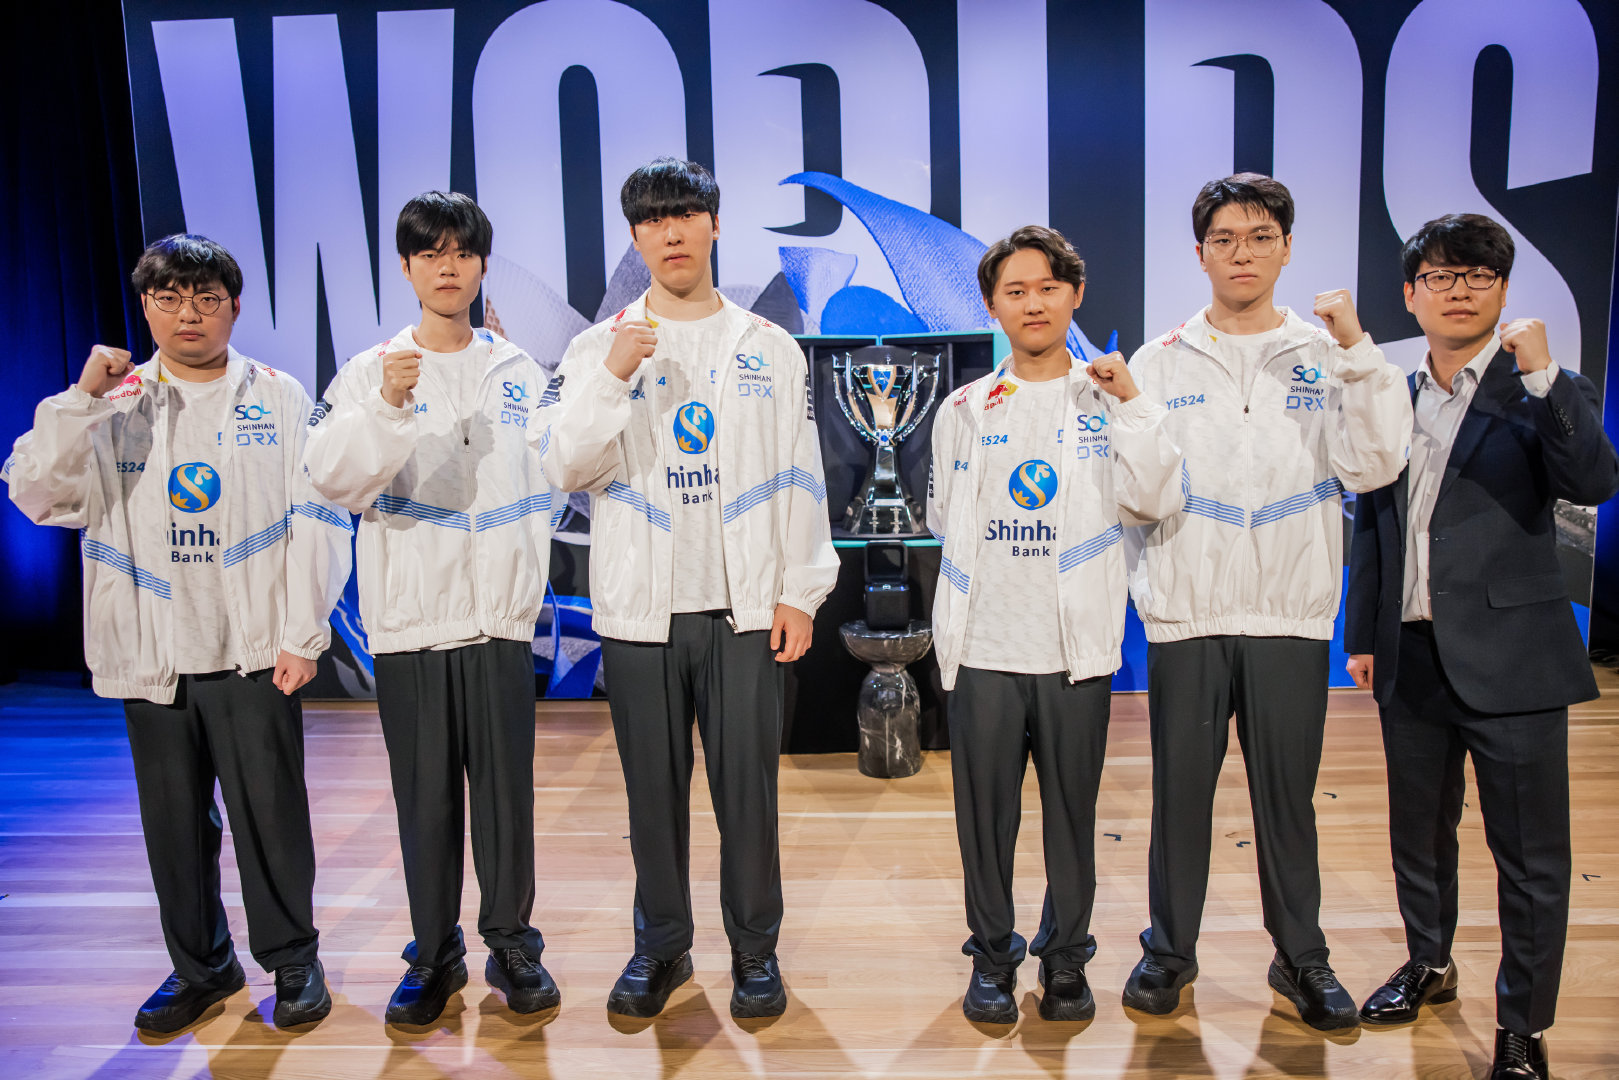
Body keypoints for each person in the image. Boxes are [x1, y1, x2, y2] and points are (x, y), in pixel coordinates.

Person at [3, 235, 351, 1032]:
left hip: (253, 650)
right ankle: (200, 967)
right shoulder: (111, 402)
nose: (187, 313)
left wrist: (302, 634)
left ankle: (293, 960)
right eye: (169, 298)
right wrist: (79, 399)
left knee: (271, 819)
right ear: (147, 306)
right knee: (173, 825)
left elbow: (320, 518)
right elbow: (36, 494)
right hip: (150, 649)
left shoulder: (279, 396)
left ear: (233, 306)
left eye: (205, 298)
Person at [540, 157, 838, 1019]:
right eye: (652, 219)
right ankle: (662, 949)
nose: (670, 232)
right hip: (640, 611)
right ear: (635, 237)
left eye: (685, 214)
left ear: (713, 223)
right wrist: (611, 376)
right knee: (652, 797)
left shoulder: (768, 345)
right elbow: (564, 466)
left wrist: (800, 591)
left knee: (748, 794)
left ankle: (754, 953)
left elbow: (801, 473)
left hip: (742, 609)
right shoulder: (595, 349)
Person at [1123, 173, 1412, 1029]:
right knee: (1179, 798)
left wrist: (1357, 351)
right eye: (1223, 239)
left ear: (1286, 248)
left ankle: (1301, 958)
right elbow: (1134, 494)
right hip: (1187, 616)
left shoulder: (1328, 355)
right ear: (1199, 253)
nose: (1240, 253)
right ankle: (1168, 951)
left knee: (1286, 801)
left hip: (1290, 614)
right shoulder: (1158, 359)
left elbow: (1373, 466)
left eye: (1258, 237)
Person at [1345, 213, 1619, 1079]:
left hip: (1514, 658)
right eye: (1439, 275)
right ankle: (1428, 963)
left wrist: (1542, 376)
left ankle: (1522, 1026)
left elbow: (1592, 483)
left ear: (1500, 290)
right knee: (1418, 836)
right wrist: (1362, 632)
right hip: (1410, 651)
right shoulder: (1392, 393)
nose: (1457, 290)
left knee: (1529, 856)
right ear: (1410, 295)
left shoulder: (1541, 387)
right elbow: (1374, 522)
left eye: (1476, 275)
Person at [303, 192, 561, 1025]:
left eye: (461, 252)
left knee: (505, 802)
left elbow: (563, 474)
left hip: (500, 623)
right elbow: (332, 480)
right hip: (412, 624)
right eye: (430, 253)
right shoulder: (368, 371)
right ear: (407, 268)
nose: (447, 266)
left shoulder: (519, 371)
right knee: (425, 802)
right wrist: (386, 405)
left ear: (481, 264)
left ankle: (512, 943)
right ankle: (433, 951)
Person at [927, 225, 1183, 1024]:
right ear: (992, 306)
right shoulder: (964, 408)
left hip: (1076, 651)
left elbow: (1154, 499)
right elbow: (941, 515)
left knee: (1072, 819)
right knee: (984, 824)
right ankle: (992, 956)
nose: (1032, 303)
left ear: (1074, 295)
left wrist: (1133, 404)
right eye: (1015, 291)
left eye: (1047, 288)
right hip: (983, 648)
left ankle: (1066, 959)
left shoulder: (1112, 400)